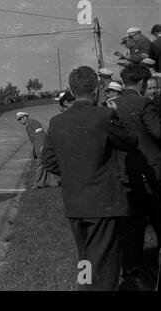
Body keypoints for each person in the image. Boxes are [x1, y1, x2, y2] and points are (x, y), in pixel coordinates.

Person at [41, 66, 138, 290]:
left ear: (72, 91)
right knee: (106, 266)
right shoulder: (104, 116)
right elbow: (129, 141)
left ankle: (84, 286)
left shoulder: (57, 122)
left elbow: (49, 160)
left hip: (75, 203)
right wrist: (116, 114)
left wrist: (74, 172)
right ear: (96, 90)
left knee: (86, 257)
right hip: (103, 204)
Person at [111, 64, 161, 288]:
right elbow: (157, 132)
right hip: (152, 174)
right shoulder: (143, 103)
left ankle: (132, 273)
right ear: (142, 83)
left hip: (125, 176)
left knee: (132, 228)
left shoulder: (111, 106)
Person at [17, 111, 59, 189]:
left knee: (40, 165)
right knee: (46, 164)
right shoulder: (27, 125)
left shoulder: (33, 122)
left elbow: (41, 135)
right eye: (18, 119)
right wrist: (35, 151)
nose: (19, 121)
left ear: (25, 117)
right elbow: (34, 140)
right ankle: (53, 183)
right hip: (38, 147)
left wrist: (41, 147)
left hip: (41, 147)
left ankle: (38, 183)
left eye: (20, 118)